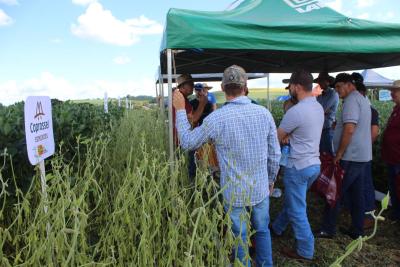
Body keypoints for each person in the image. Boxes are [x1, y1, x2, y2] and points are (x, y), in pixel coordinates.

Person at [173, 65, 281, 267]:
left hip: (234, 191)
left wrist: (180, 110)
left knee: (239, 235)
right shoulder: (264, 113)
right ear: (245, 86)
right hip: (260, 187)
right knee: (263, 229)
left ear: (223, 87)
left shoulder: (217, 118)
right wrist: (271, 180)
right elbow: (275, 153)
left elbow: (187, 143)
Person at [271, 70, 324, 261]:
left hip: (298, 166)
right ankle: (277, 227)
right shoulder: (317, 107)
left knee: (297, 209)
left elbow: (277, 137)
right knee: (296, 201)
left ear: (297, 87)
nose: (290, 89)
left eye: (291, 86)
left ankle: (305, 250)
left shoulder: (296, 111)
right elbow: (304, 132)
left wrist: (286, 137)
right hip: (313, 165)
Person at [317, 73, 372, 240]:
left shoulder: (351, 101)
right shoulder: (362, 99)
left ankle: (327, 229)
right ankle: (357, 229)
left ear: (349, 84)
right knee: (357, 194)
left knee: (335, 192)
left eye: (339, 87)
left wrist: (339, 154)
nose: (337, 91)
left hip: (351, 156)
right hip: (362, 156)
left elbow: (349, 129)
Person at [352, 72, 379, 229]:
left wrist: (362, 147)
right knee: (359, 184)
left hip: (363, 155)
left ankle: (368, 215)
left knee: (366, 184)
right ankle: (359, 212)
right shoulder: (361, 109)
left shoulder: (371, 111)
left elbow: (374, 133)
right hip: (356, 154)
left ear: (361, 94)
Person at [173, 74, 207, 179]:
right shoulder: (182, 100)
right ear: (183, 87)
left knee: (185, 169)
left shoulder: (183, 99)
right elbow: (193, 120)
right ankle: (189, 190)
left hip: (182, 139)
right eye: (190, 84)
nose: (193, 86)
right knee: (189, 170)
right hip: (184, 140)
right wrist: (202, 104)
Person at [381, 80, 400, 222]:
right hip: (392, 157)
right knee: (394, 188)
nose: (392, 93)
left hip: (398, 158)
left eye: (395, 91)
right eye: (392, 90)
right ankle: (396, 215)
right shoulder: (396, 109)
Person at [315, 72, 339, 155]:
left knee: (328, 154)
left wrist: (321, 111)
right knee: (321, 153)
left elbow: (321, 109)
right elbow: (316, 109)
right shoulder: (319, 95)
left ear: (328, 82)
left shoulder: (333, 93)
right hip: (320, 128)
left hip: (328, 128)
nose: (319, 83)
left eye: (321, 81)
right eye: (319, 81)